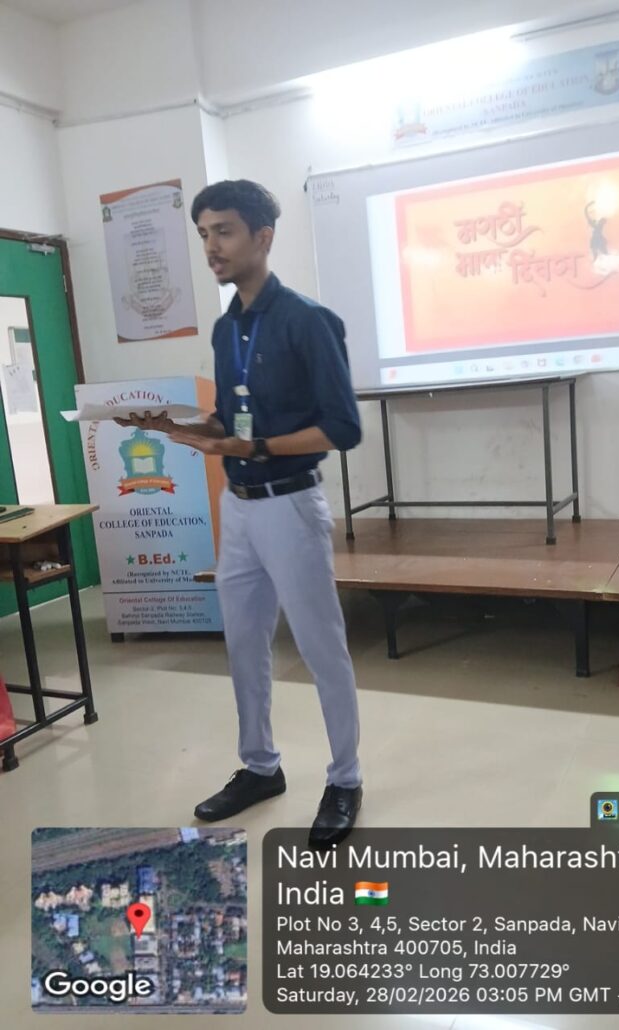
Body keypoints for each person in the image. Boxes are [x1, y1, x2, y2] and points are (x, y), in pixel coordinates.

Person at [116, 180, 363, 850]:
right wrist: (173, 425)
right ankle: (260, 767)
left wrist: (252, 447)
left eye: (223, 230)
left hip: (290, 504)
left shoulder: (308, 321)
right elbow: (232, 420)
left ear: (262, 236)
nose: (210, 246)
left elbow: (342, 428)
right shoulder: (228, 329)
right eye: (202, 233)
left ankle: (345, 779)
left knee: (321, 648)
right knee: (244, 643)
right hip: (241, 507)